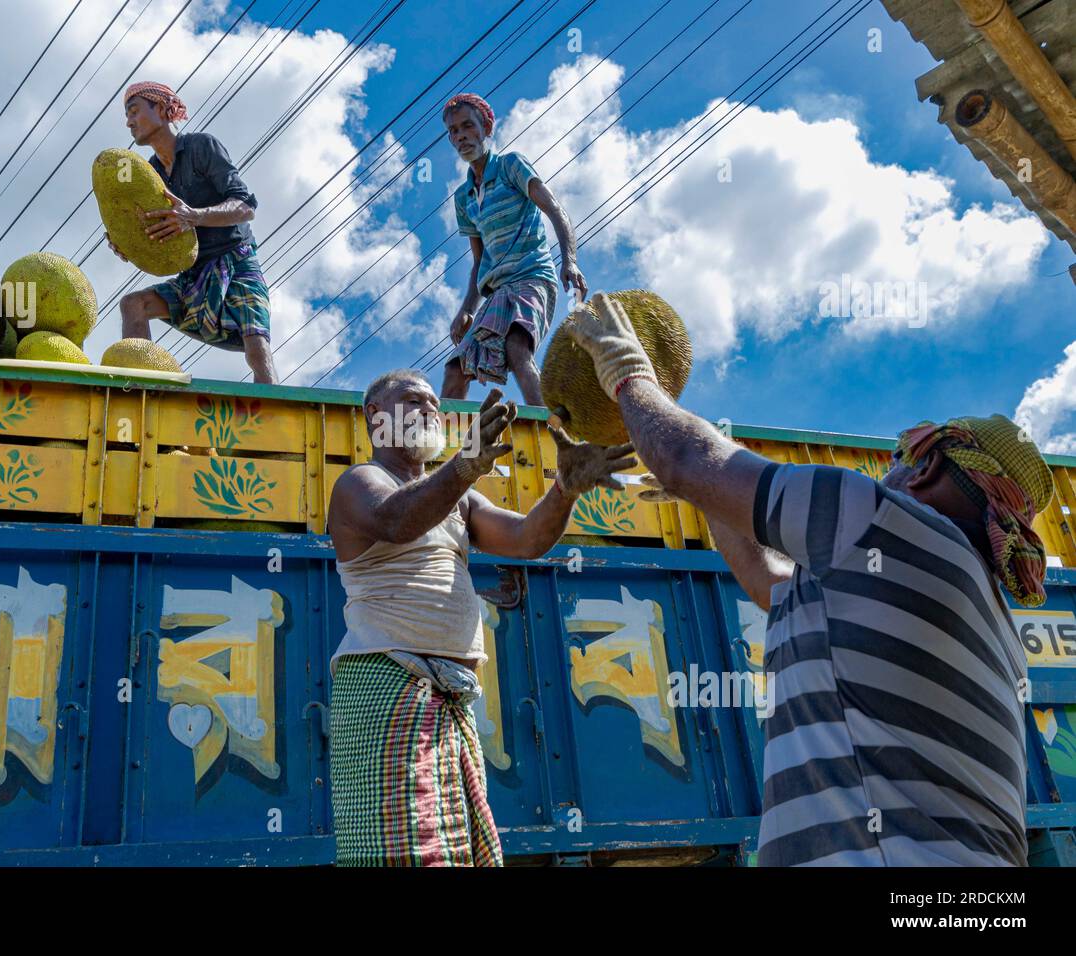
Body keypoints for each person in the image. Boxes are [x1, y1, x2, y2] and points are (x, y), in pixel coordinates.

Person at [563, 292, 1055, 867]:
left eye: (899, 455)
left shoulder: (883, 518)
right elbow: (767, 579)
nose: (886, 468)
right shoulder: (980, 606)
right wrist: (709, 496)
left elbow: (685, 457)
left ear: (928, 465)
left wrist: (626, 370)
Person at [325, 368, 636, 866]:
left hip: (450, 700)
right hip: (387, 685)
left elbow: (527, 539)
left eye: (435, 403)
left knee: (455, 849)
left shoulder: (460, 498)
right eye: (412, 399)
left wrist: (565, 491)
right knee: (402, 851)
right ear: (375, 416)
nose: (431, 409)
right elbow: (395, 520)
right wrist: (464, 466)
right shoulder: (362, 482)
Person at [110, 81, 278, 383]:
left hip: (236, 261)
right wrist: (126, 242)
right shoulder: (150, 173)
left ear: (160, 109)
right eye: (127, 116)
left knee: (257, 347)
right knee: (133, 305)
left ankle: (273, 416)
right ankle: (141, 388)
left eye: (134, 111)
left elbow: (245, 206)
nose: (129, 121)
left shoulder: (202, 147)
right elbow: (154, 229)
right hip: (193, 272)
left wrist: (194, 216)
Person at [441, 93, 588, 405]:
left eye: (468, 126)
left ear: (486, 128)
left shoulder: (511, 166)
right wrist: (467, 308)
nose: (461, 136)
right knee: (456, 368)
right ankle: (446, 450)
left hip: (532, 277)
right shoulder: (464, 198)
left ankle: (552, 435)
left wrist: (570, 260)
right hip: (498, 291)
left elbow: (554, 209)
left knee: (516, 346)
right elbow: (479, 260)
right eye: (453, 131)